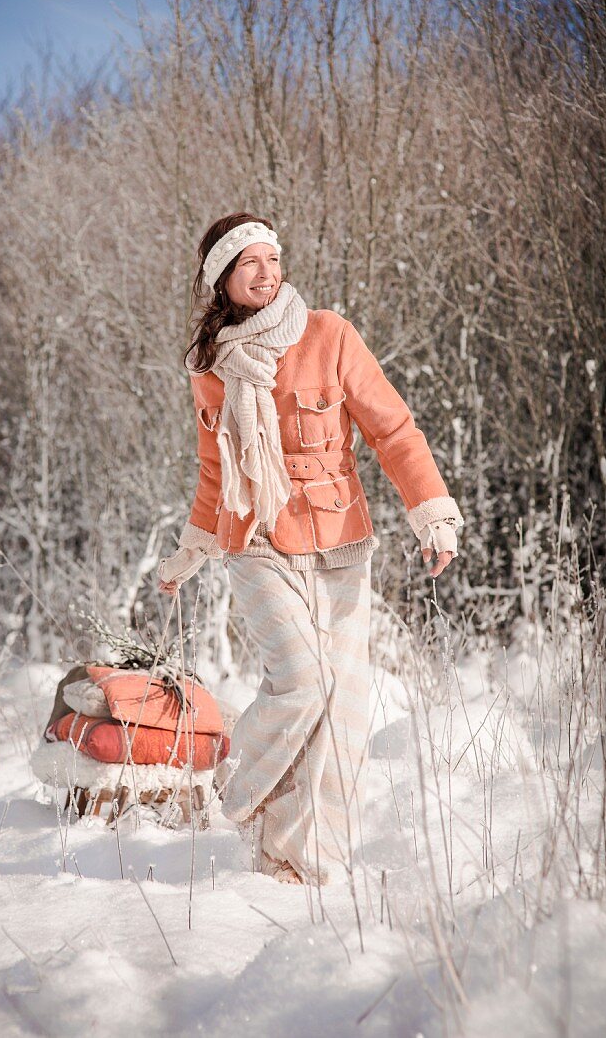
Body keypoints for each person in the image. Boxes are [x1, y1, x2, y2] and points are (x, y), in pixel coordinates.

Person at [157, 212, 464, 886]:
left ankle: (303, 862)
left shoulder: (328, 334)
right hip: (256, 538)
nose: (266, 273)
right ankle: (241, 795)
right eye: (249, 265)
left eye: (273, 259)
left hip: (338, 539)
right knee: (302, 684)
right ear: (222, 282)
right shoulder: (211, 366)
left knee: (343, 709)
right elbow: (217, 469)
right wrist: (191, 549)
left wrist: (430, 515)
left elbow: (392, 430)